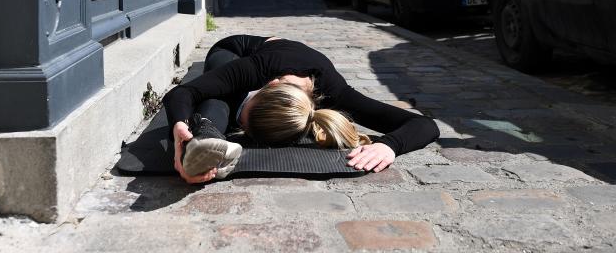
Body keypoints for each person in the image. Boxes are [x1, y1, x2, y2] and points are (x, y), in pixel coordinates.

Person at [163, 34, 440, 184]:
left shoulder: (338, 93)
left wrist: (389, 146)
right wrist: (178, 128)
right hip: (233, 49)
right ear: (267, 86)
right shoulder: (255, 70)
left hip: (282, 69)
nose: (241, 126)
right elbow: (183, 92)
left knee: (228, 103)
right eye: (244, 121)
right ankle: (205, 136)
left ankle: (207, 138)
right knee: (223, 96)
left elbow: (426, 125)